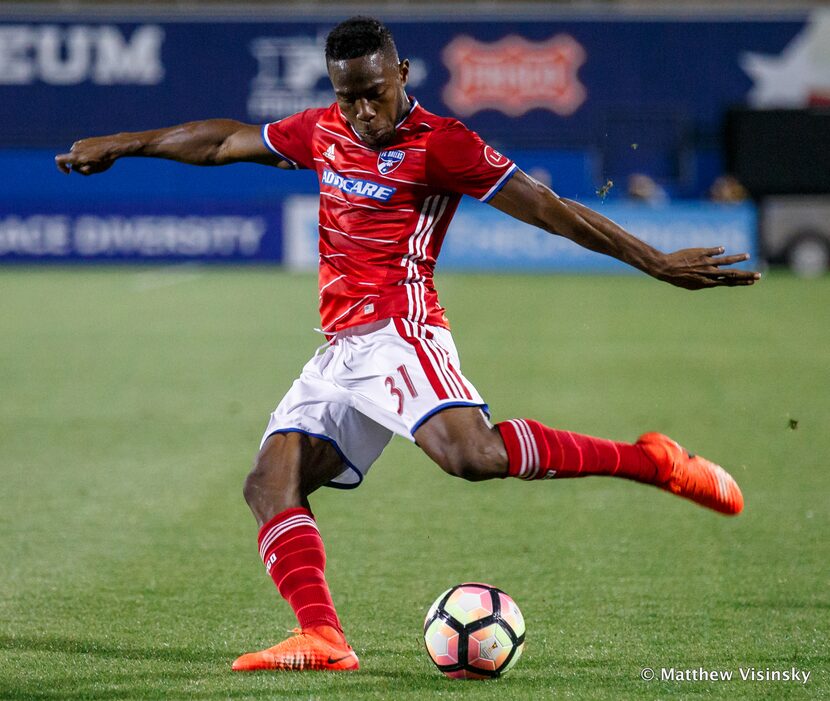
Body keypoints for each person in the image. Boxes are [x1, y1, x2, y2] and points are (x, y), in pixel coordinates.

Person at [56, 16, 760, 673]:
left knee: (473, 456)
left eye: (374, 93)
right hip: (340, 350)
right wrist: (121, 145)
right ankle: (323, 634)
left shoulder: (441, 143)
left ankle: (651, 461)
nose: (362, 111)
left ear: (402, 73)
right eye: (349, 97)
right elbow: (220, 140)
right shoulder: (321, 130)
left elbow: (549, 209)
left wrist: (657, 260)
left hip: (402, 329)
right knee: (270, 484)